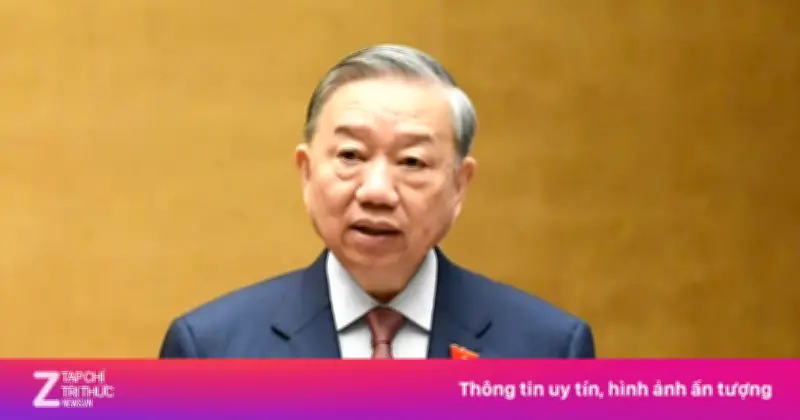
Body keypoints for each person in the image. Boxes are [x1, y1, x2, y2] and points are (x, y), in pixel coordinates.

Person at [158, 44, 595, 359]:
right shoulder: (210, 350)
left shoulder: (549, 349)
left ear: (459, 185)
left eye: (412, 161)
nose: (377, 191)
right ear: (307, 172)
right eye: (351, 156)